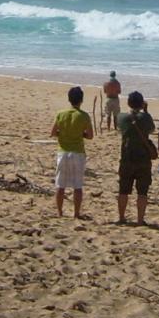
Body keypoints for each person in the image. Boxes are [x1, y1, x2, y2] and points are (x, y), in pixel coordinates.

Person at [51, 85, 93, 219]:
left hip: (63, 151)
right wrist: (81, 135)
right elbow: (90, 135)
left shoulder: (61, 114)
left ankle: (59, 212)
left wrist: (63, 134)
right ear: (81, 100)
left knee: (60, 185)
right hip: (78, 152)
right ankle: (76, 213)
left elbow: (53, 132)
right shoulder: (84, 116)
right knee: (77, 185)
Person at [115, 91, 157, 224]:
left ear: (128, 103)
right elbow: (151, 130)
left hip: (127, 157)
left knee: (123, 190)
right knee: (142, 191)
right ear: (141, 103)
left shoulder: (122, 117)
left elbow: (119, 127)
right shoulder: (146, 118)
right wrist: (145, 111)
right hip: (143, 158)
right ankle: (140, 219)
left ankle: (121, 217)